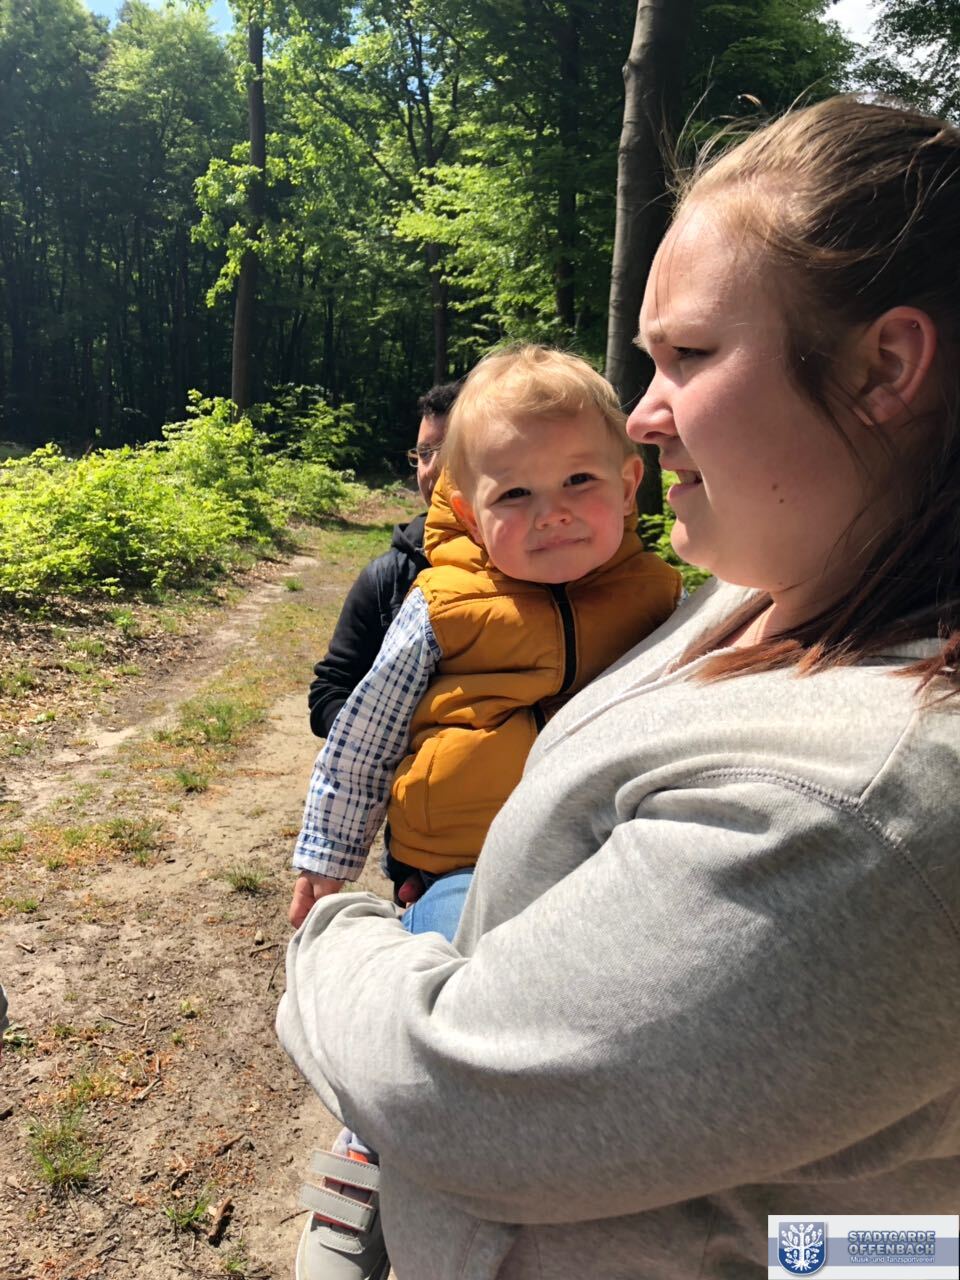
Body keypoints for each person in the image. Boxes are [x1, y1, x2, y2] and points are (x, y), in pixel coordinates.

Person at [278, 96, 960, 1280]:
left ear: (883, 366)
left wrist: (330, 934)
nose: (644, 416)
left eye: (688, 355)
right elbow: (362, 719)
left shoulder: (859, 808)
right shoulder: (758, 592)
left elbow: (454, 1093)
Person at [287, 345, 681, 1278]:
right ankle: (371, 1144)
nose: (553, 514)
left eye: (579, 481)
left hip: (603, 858)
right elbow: (361, 740)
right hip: (461, 862)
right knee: (447, 998)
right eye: (516, 495)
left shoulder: (663, 597)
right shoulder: (440, 604)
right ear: (467, 509)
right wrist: (325, 860)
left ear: (630, 484)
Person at [307, 381, 461, 740]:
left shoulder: (540, 570)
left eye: (451, 449)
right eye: (424, 454)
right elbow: (330, 690)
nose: (432, 469)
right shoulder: (386, 578)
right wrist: (387, 747)